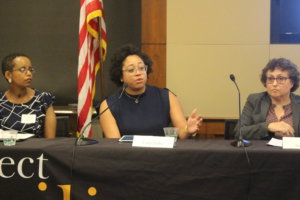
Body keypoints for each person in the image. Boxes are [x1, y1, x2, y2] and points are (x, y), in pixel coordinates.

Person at [99, 44, 202, 138]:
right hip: (128, 157)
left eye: (141, 68)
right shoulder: (109, 105)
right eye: (131, 70)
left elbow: (182, 134)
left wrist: (188, 130)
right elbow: (114, 146)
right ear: (120, 76)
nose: (138, 73)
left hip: (162, 156)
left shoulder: (166, 97)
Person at [235, 58, 300, 140]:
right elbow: (239, 132)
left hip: (292, 152)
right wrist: (268, 126)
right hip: (261, 151)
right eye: (270, 79)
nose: (274, 84)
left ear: (292, 82)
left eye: (281, 79)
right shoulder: (255, 100)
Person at [0, 53, 56, 138]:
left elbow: (50, 141)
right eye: (22, 69)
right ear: (8, 74)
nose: (29, 73)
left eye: (30, 69)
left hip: (36, 150)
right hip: (6, 150)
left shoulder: (43, 99)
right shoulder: (1, 101)